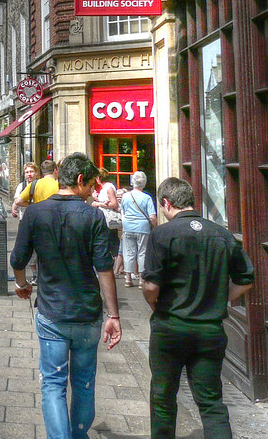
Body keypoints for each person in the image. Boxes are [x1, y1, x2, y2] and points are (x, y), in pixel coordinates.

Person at [10, 152, 121, 439]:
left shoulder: (35, 213)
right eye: (91, 185)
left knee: (53, 384)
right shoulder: (93, 216)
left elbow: (18, 259)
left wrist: (22, 285)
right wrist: (114, 315)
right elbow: (104, 268)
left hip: (52, 313)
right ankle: (79, 434)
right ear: (80, 180)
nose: (93, 192)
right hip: (87, 314)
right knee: (84, 382)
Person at [142, 177, 254, 439]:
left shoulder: (162, 234)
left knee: (163, 397)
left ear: (166, 203)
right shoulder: (222, 234)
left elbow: (150, 285)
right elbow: (246, 280)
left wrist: (153, 303)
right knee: (211, 402)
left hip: (170, 327)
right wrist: (219, 297)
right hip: (209, 330)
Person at [120, 170, 157, 288]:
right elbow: (152, 217)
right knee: (142, 253)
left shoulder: (125, 196)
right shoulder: (147, 198)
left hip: (128, 227)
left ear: (132, 182)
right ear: (144, 183)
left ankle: (128, 279)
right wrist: (155, 227)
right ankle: (141, 280)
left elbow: (123, 212)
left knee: (128, 252)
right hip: (143, 227)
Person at [90, 169, 121, 272]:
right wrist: (96, 199)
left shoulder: (109, 187)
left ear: (99, 177)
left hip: (109, 220)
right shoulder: (104, 188)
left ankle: (115, 268)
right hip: (104, 219)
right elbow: (105, 203)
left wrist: (98, 204)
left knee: (111, 242)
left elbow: (114, 204)